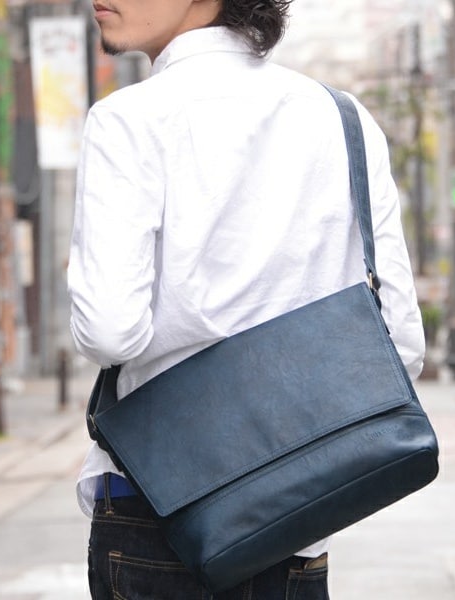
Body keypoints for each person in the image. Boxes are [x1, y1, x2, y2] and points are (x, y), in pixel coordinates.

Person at [67, 0, 425, 598]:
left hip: (162, 509)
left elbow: (109, 330)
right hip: (299, 520)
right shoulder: (344, 118)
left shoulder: (127, 118)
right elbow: (401, 345)